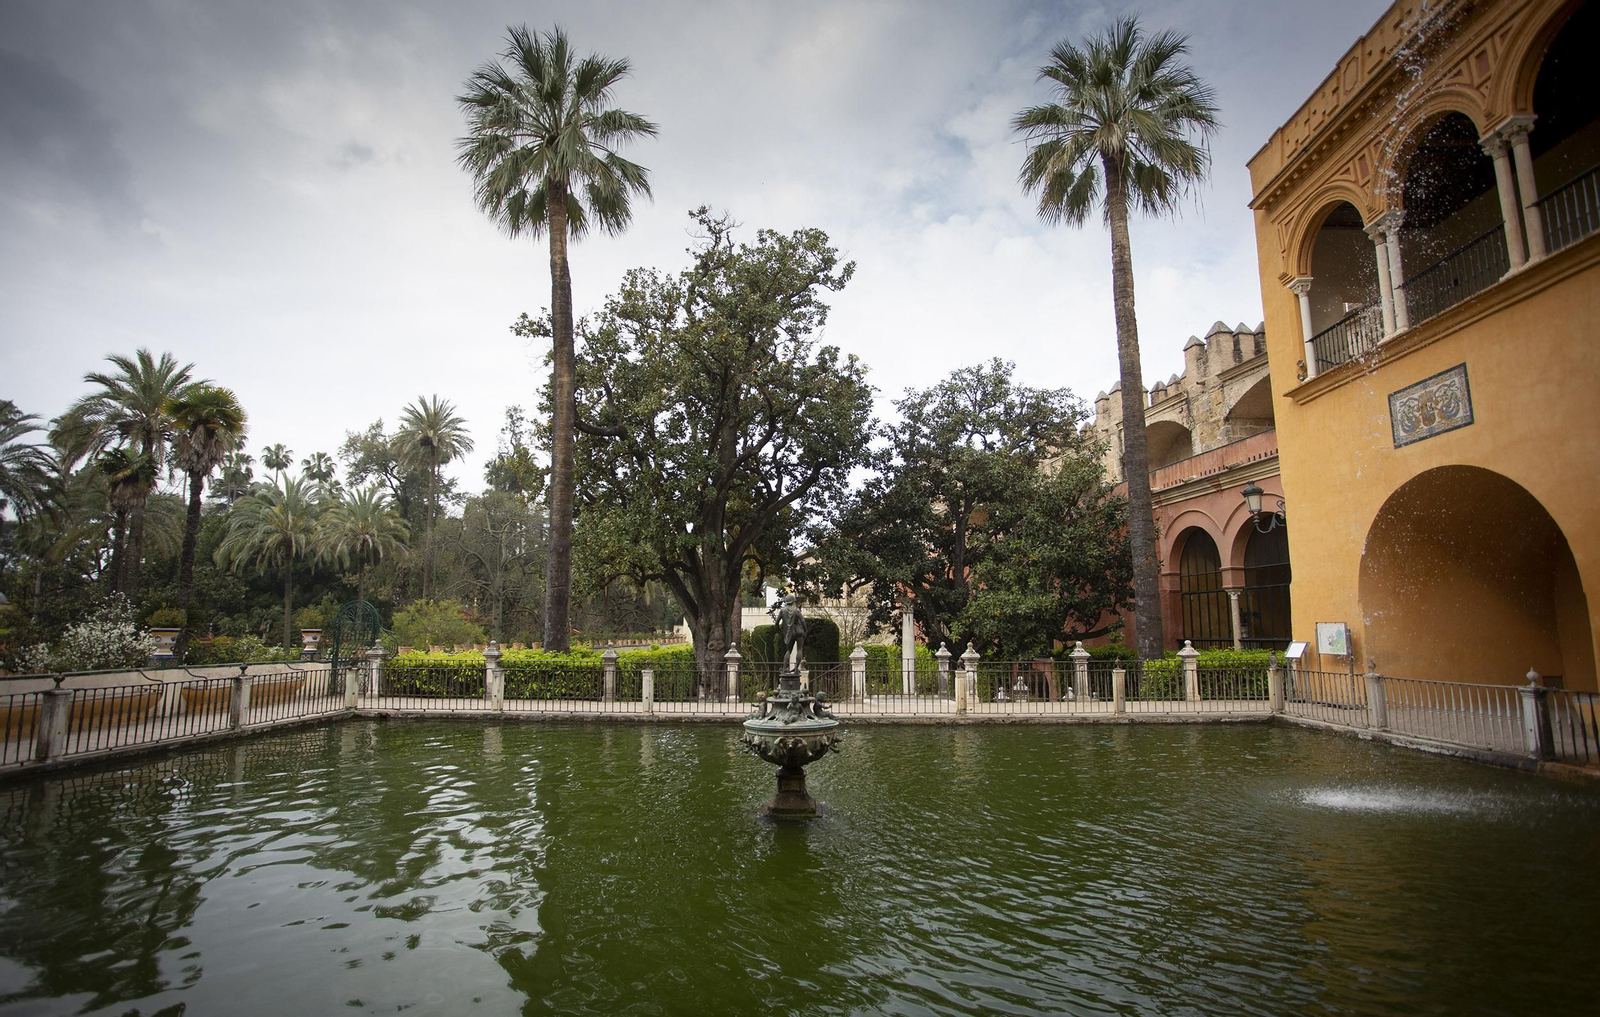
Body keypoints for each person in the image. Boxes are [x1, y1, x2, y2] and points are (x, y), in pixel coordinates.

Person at [769, 592, 807, 675]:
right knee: (799, 649)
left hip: (789, 633)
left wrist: (778, 631)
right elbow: (803, 621)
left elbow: (776, 623)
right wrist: (805, 630)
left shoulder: (782, 611)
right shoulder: (796, 610)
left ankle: (784, 668)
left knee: (788, 650)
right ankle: (796, 669)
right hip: (799, 631)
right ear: (793, 602)